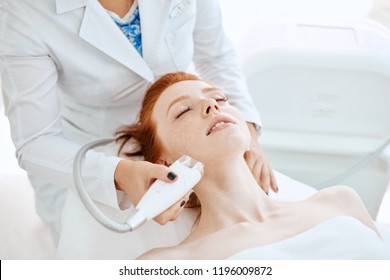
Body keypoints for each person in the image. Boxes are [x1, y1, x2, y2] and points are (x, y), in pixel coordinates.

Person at [0, 0, 277, 247]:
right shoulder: (25, 11)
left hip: (187, 145)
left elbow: (217, 57)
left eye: (217, 98)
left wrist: (247, 129)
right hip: (88, 159)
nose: (213, 104)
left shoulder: (315, 209)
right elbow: (35, 141)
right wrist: (118, 173)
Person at [115, 72, 390, 259]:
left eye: (220, 98)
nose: (212, 105)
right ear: (165, 164)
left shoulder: (340, 201)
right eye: (183, 110)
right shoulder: (166, 264)